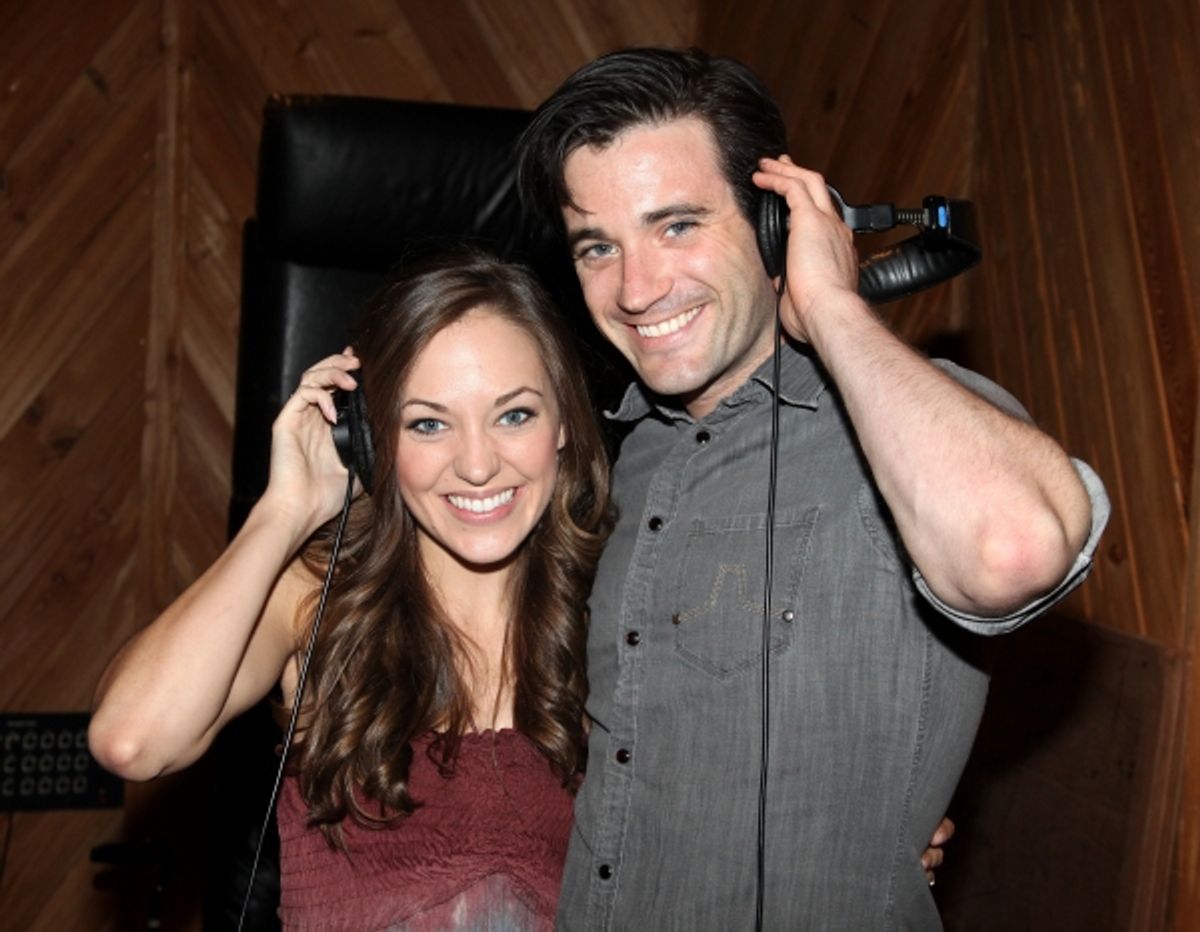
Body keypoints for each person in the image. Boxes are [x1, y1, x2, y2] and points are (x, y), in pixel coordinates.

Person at [516, 47, 1110, 930]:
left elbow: (1011, 548)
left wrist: (831, 306)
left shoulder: (908, 422)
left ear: (773, 228)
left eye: (677, 225)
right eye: (599, 246)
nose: (636, 289)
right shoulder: (617, 457)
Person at [88, 249, 614, 930]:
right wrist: (284, 512)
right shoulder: (315, 601)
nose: (479, 464)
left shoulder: (622, 610)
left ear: (564, 423)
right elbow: (133, 740)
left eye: (514, 415)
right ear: (370, 441)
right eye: (428, 423)